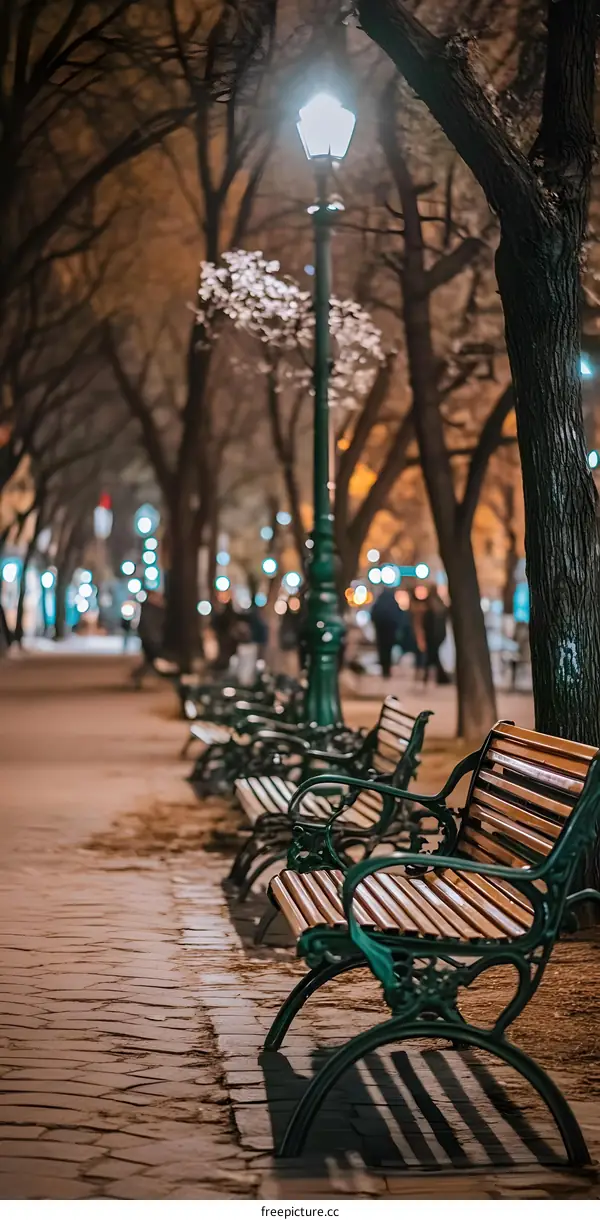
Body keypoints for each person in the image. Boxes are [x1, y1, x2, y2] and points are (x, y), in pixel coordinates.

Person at [132, 591, 165, 689]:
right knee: (151, 661)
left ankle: (137, 677)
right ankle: (137, 676)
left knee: (150, 662)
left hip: (150, 640)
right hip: (151, 641)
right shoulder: (150, 610)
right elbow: (148, 627)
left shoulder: (151, 609)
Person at [371, 587, 404, 679]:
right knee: (388, 651)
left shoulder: (379, 604)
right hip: (390, 633)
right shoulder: (393, 604)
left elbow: (373, 615)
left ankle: (384, 670)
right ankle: (387, 670)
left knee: (382, 651)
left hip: (380, 633)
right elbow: (399, 617)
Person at [422, 589, 450, 684]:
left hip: (433, 637)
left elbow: (426, 625)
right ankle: (440, 678)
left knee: (432, 657)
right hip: (439, 635)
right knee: (434, 657)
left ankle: (433, 677)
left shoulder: (430, 609)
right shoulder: (440, 606)